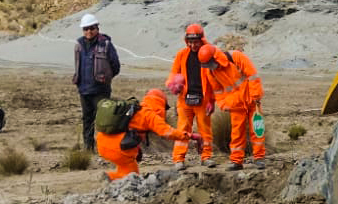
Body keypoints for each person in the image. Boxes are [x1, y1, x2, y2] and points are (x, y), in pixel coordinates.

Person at [96, 88, 187, 180]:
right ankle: (112, 179)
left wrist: (137, 149)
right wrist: (188, 136)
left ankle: (109, 177)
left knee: (124, 168)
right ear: (161, 103)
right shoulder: (149, 115)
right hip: (119, 150)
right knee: (132, 175)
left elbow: (129, 130)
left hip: (102, 145)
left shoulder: (135, 108)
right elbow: (168, 132)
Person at [206, 44, 266, 170]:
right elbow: (217, 91)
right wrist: (224, 104)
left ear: (216, 58)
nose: (210, 66)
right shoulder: (211, 71)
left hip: (252, 101)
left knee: (257, 129)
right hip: (235, 105)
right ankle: (236, 161)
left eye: (210, 63)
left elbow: (252, 75)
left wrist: (256, 95)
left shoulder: (236, 57)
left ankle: (259, 158)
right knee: (236, 134)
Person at [168, 23, 216, 168]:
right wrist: (173, 84)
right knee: (182, 130)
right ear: (186, 41)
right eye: (190, 42)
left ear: (201, 40)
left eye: (196, 42)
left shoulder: (208, 55)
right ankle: (178, 159)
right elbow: (174, 73)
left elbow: (214, 79)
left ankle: (206, 157)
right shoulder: (181, 55)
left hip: (203, 100)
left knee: (205, 131)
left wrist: (212, 101)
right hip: (184, 100)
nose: (193, 45)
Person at [72, 12, 120, 153]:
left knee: (104, 120)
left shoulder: (105, 44)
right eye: (86, 29)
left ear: (97, 28)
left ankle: (105, 148)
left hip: (100, 90)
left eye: (91, 28)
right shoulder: (79, 44)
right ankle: (88, 148)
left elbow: (115, 66)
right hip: (84, 89)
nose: (89, 31)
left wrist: (105, 79)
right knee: (87, 119)